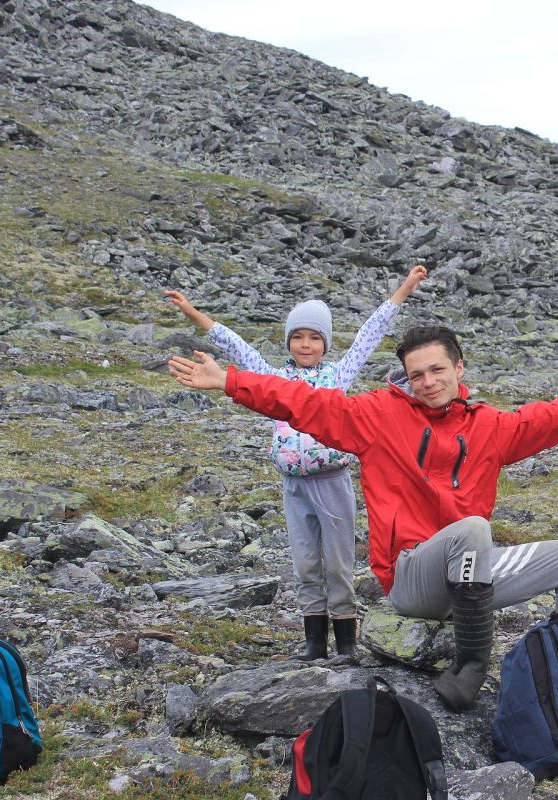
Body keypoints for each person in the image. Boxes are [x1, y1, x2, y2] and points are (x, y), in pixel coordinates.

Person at [168, 325, 558, 720]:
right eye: (416, 374)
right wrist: (231, 381)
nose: (427, 382)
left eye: (437, 370)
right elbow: (305, 403)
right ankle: (470, 665)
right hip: (410, 579)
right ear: (405, 377)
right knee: (473, 528)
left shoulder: (491, 426)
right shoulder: (375, 416)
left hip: (470, 576)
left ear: (459, 368)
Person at [163, 264, 427, 661]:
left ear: (325, 343)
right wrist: (194, 313)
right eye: (298, 337)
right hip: (294, 485)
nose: (305, 344)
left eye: (314, 337)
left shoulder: (338, 376)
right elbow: (237, 348)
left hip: (332, 481)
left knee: (338, 563)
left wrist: (404, 289)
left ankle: (348, 642)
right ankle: (314, 642)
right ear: (288, 342)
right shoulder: (273, 379)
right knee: (305, 563)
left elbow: (369, 334)